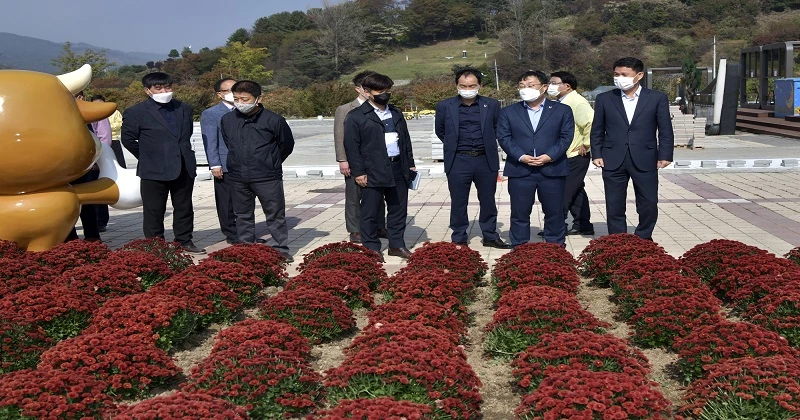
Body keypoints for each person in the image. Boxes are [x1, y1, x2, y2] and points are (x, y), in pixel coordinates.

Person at [590, 57, 674, 240]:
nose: (619, 78)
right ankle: (618, 239)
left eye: (624, 74)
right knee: (614, 203)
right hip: (613, 157)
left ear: (639, 75)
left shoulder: (656, 98)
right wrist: (596, 153)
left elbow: (665, 129)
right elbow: (597, 128)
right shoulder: (605, 98)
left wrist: (665, 154)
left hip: (645, 157)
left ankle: (644, 237)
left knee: (648, 202)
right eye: (616, 74)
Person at [121, 72, 205, 254]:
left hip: (182, 166)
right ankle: (155, 245)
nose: (164, 91)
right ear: (147, 90)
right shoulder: (136, 112)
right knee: (154, 210)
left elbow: (185, 135)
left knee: (184, 207)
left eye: (167, 87)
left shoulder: (183, 108)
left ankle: (184, 240)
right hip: (153, 169)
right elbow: (128, 140)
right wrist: (147, 156)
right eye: (158, 88)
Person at [434, 68, 510, 249]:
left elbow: (497, 128)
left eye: (472, 86)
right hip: (458, 160)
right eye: (463, 86)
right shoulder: (445, 106)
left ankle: (490, 235)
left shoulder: (491, 105)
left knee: (488, 200)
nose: (467, 89)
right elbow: (441, 131)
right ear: (457, 86)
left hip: (485, 159)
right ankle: (459, 235)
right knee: (459, 200)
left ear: (479, 86)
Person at [220, 80, 295, 261]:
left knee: (275, 213)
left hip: (267, 176)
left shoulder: (273, 120)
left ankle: (280, 247)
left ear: (258, 98)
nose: (240, 103)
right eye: (236, 99)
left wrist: (270, 162)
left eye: (245, 99)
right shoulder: (228, 119)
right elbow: (229, 143)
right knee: (243, 214)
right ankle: (246, 248)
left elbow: (286, 145)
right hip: (238, 176)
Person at [497, 70, 574, 247]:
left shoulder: (562, 110)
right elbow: (504, 137)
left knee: (555, 212)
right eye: (522, 86)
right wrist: (521, 156)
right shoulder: (509, 112)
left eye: (531, 86)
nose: (525, 89)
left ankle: (555, 248)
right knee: (519, 212)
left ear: (544, 87)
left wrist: (549, 156)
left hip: (552, 169)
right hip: (520, 170)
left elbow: (566, 137)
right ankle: (519, 248)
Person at [344, 73, 416, 260]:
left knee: (398, 209)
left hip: (397, 168)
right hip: (372, 170)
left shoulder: (396, 113)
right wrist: (359, 172)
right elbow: (352, 147)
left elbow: (405, 142)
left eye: (387, 90)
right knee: (370, 212)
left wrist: (410, 164)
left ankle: (396, 245)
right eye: (380, 91)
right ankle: (372, 248)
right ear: (367, 92)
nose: (385, 94)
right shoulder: (356, 116)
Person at [333, 70, 387, 243]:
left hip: (378, 161)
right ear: (359, 89)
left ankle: (379, 225)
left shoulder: (382, 108)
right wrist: (343, 160)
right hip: (355, 161)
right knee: (354, 197)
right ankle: (355, 229)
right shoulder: (345, 110)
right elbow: (340, 136)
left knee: (379, 195)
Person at [546, 71, 595, 236]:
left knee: (564, 191)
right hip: (565, 154)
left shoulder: (576, 102)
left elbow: (591, 122)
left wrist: (586, 144)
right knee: (576, 191)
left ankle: (557, 226)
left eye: (554, 83)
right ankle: (583, 224)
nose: (550, 86)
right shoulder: (562, 101)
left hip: (575, 156)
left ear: (567, 86)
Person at [66, 91, 102, 242]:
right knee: (66, 203)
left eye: (80, 97)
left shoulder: (83, 117)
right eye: (75, 96)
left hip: (82, 167)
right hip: (62, 169)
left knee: (87, 203)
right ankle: (70, 237)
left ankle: (92, 236)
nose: (79, 100)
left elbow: (92, 141)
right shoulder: (56, 115)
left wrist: (93, 161)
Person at [90, 95, 113, 233]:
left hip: (94, 158)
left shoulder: (95, 112)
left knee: (97, 189)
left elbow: (104, 137)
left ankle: (100, 221)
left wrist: (99, 158)